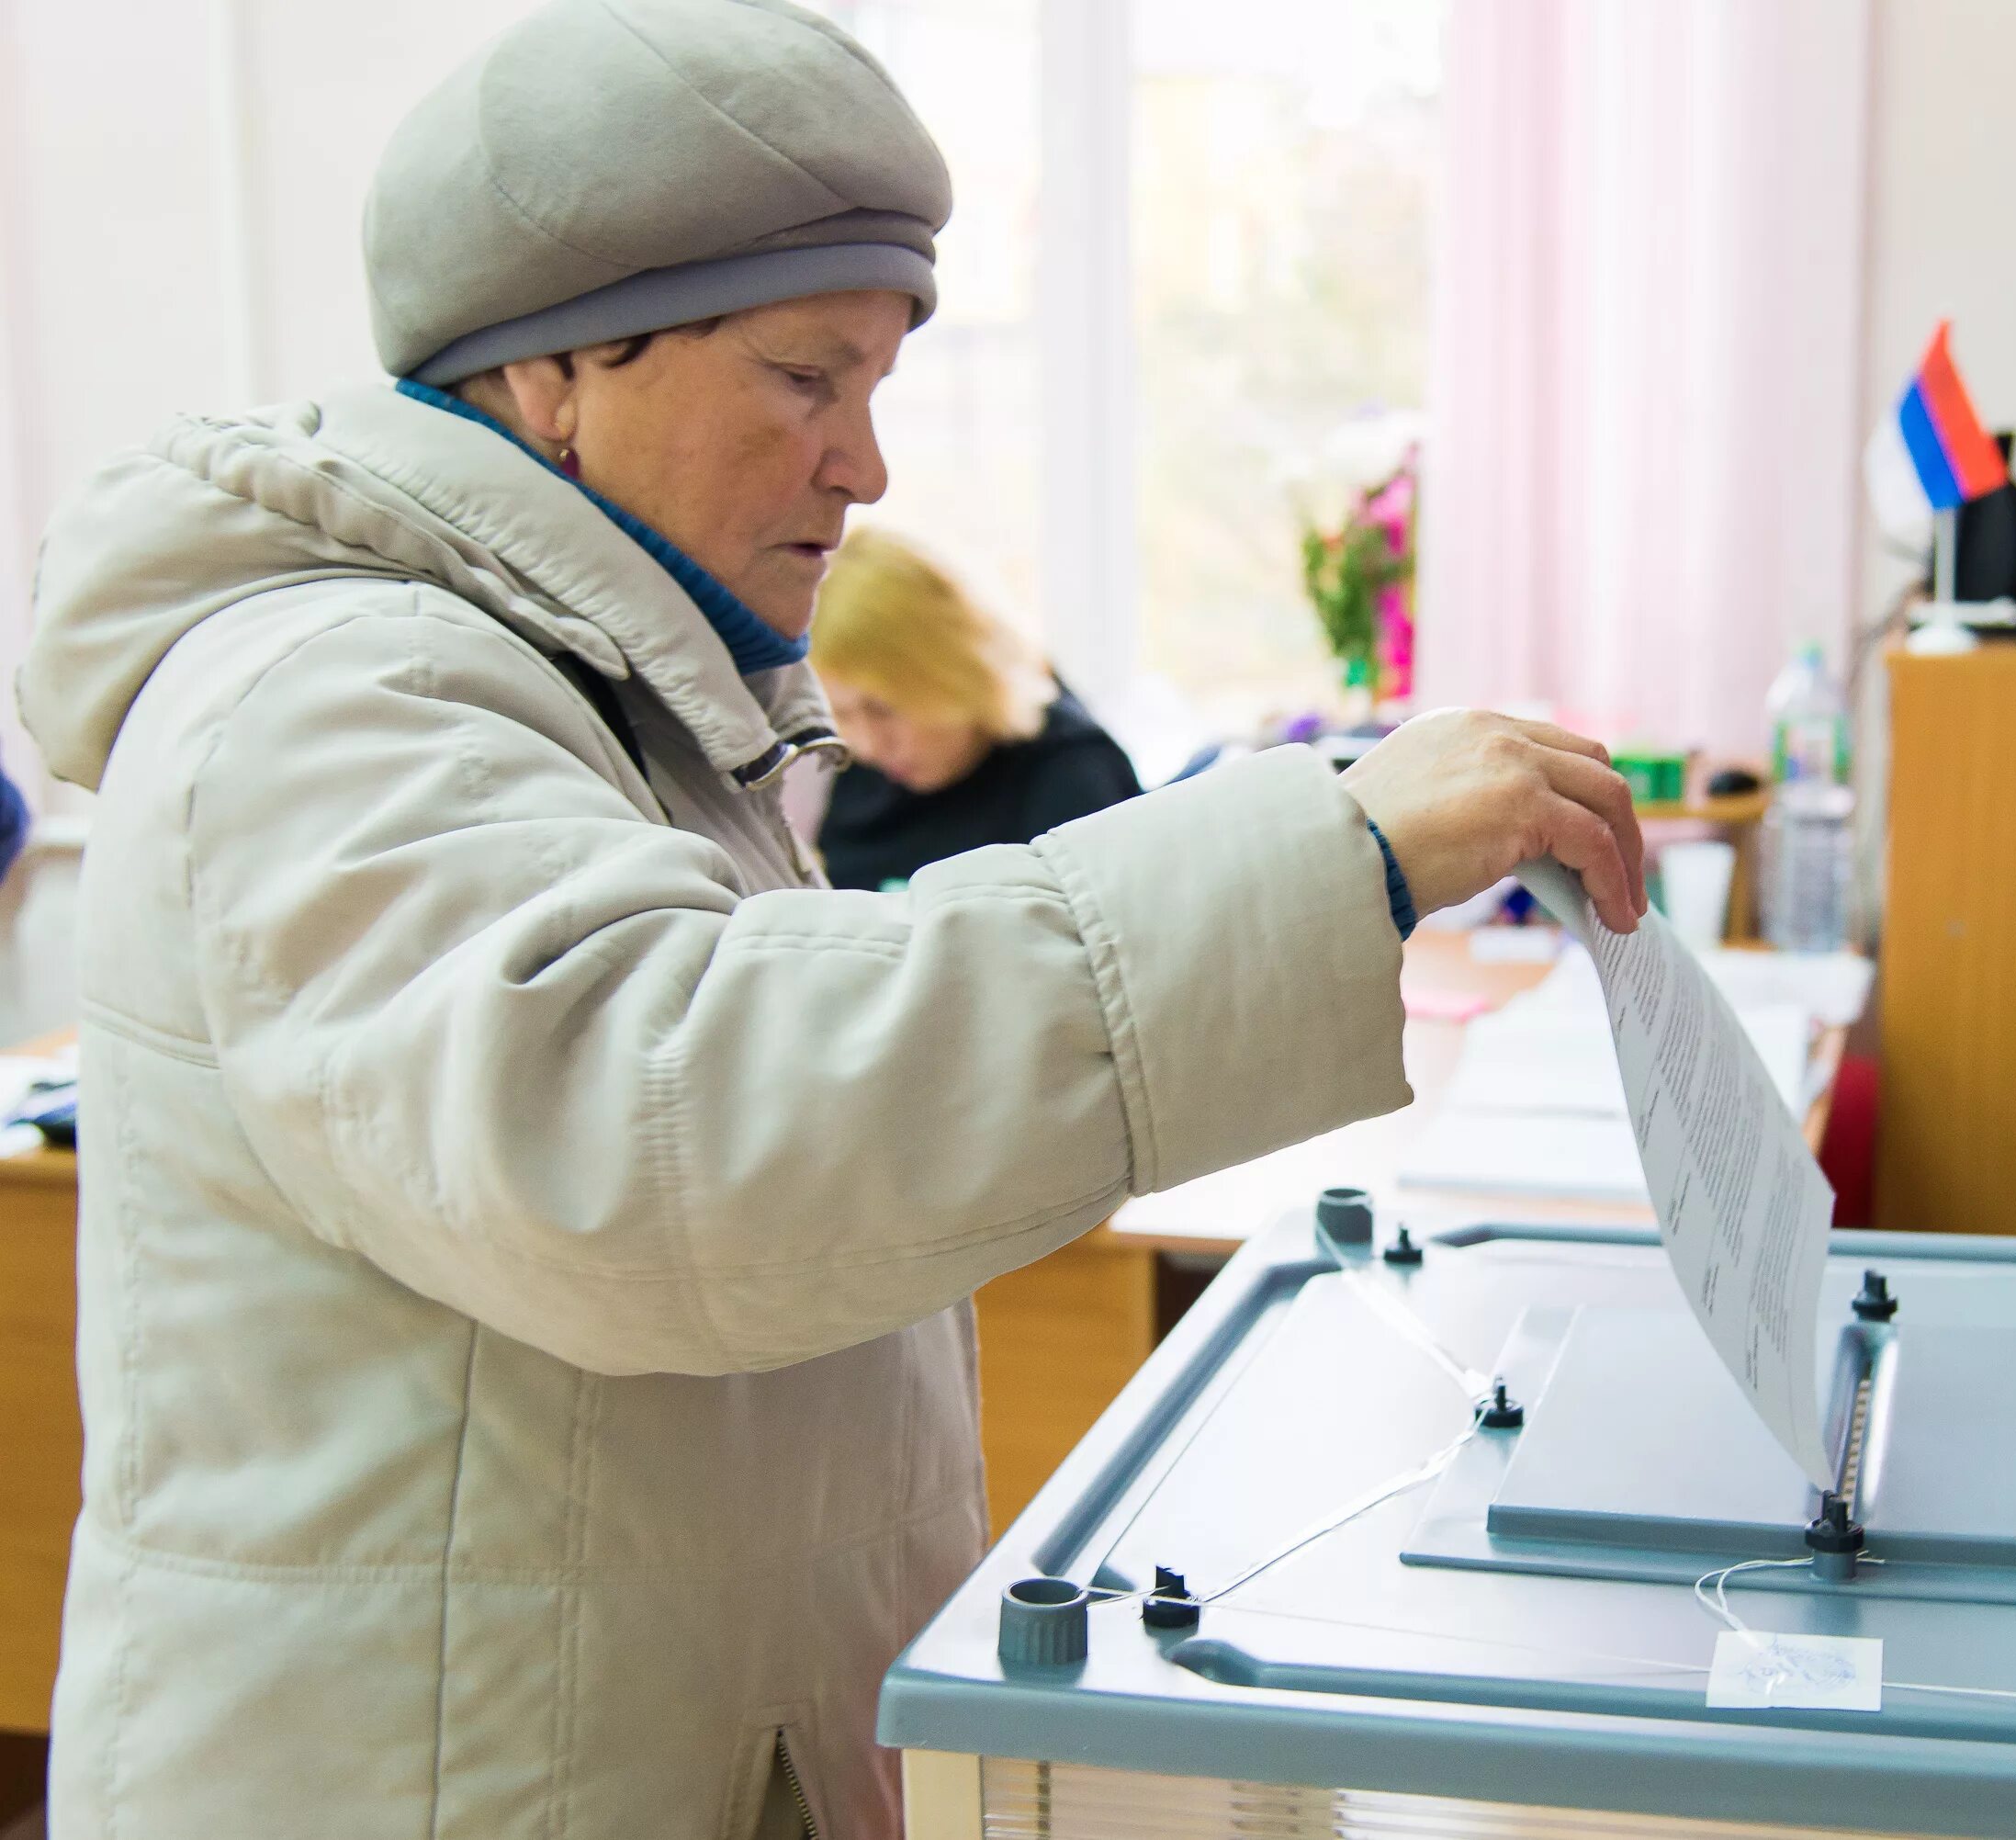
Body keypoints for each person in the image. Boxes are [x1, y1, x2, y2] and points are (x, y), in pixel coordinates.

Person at [11, 3, 1643, 1836]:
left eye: (879, 386)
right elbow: (663, 1132)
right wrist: (1323, 856)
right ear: (555, 370)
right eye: (807, 376)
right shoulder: (339, 695)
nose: (865, 465)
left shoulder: (606, 696)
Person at [806, 527, 1142, 890]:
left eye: (885, 709)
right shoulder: (870, 770)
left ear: (959, 673)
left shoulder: (1075, 780)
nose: (868, 745)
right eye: (841, 714)